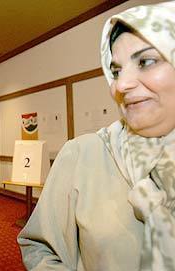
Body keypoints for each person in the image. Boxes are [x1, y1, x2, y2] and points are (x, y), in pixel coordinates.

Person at [18, 1, 175, 270]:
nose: (122, 84)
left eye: (146, 62)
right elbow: (40, 248)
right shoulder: (83, 154)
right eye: (116, 71)